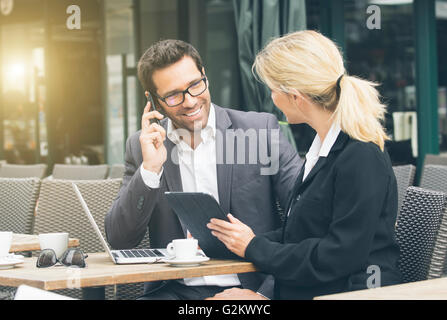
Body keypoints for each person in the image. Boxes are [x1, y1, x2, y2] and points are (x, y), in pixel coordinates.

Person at [207, 30, 402, 300]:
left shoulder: (360, 157)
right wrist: (244, 240)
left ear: (296, 97)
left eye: (273, 89)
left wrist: (255, 247)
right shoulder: (323, 149)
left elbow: (339, 256)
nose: (272, 98)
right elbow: (303, 233)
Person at [104, 39, 302, 300]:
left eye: (195, 85)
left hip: (251, 290)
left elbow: (305, 216)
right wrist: (150, 169)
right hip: (173, 292)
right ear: (154, 100)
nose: (190, 101)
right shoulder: (143, 146)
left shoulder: (259, 132)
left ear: (204, 75)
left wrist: (264, 295)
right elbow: (120, 239)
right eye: (174, 95)